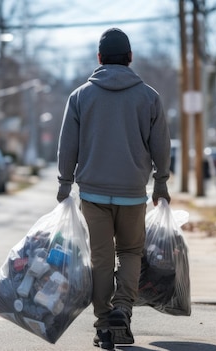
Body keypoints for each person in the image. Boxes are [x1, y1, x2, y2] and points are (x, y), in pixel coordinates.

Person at [56, 28, 171, 350]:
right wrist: (160, 181)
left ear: (99, 59)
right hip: (133, 192)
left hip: (92, 193)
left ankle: (104, 325)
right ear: (130, 58)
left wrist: (65, 184)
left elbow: (68, 146)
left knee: (101, 259)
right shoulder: (149, 96)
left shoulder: (80, 96)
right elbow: (161, 144)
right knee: (131, 252)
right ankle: (123, 308)